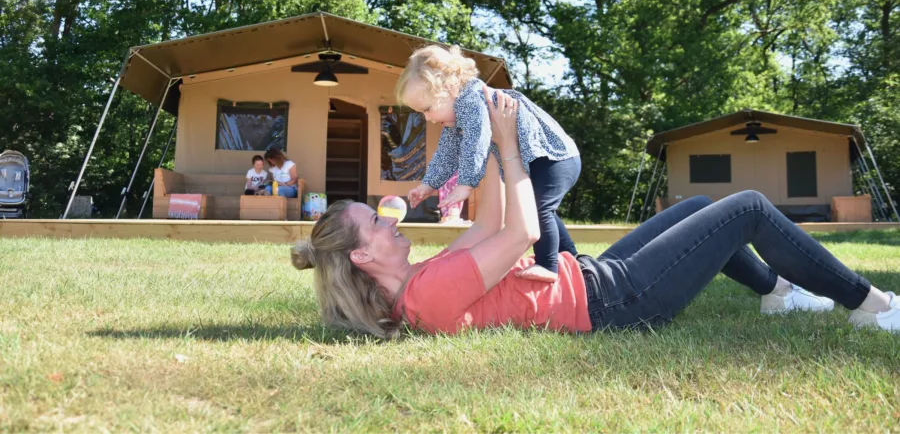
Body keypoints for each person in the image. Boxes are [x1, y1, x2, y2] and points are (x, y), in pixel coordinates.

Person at [291, 87, 900, 338]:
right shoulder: (428, 294)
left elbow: (488, 225)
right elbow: (526, 230)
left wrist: (482, 157)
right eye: (375, 222)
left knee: (699, 205)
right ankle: (873, 306)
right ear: (363, 255)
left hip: (594, 277)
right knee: (746, 207)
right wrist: (507, 144)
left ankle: (773, 292)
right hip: (618, 302)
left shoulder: (422, 284)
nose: (388, 221)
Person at [396, 45, 580, 282]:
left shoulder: (473, 100)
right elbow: (447, 152)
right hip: (547, 161)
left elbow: (477, 140)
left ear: (450, 88)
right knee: (544, 210)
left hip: (554, 158)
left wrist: (466, 184)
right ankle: (573, 259)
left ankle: (548, 264)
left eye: (428, 109)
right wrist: (429, 184)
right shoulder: (457, 113)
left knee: (537, 209)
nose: (428, 118)